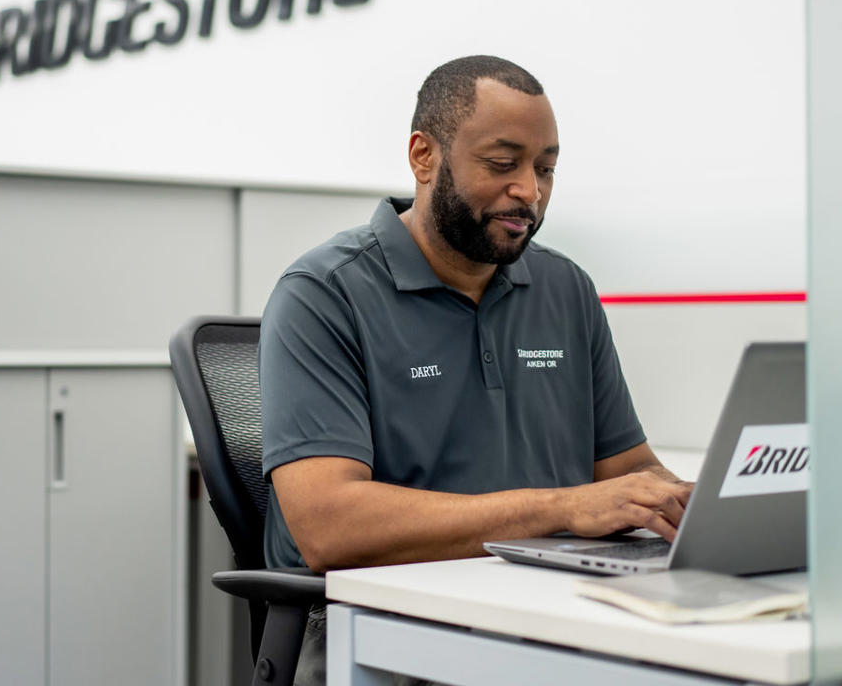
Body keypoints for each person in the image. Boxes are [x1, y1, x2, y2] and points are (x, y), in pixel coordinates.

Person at [258, 55, 693, 685]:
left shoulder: (565, 288)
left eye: (546, 169)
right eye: (503, 163)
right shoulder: (323, 293)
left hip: (547, 614)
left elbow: (625, 470)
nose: (530, 191)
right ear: (424, 156)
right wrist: (565, 508)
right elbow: (329, 526)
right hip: (383, 630)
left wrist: (700, 513)